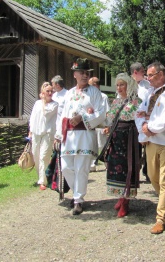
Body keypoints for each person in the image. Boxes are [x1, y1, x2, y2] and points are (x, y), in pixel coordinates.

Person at [135, 61, 165, 234]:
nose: (148, 79)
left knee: (164, 180)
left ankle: (161, 218)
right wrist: (144, 128)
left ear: (161, 75)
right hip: (151, 141)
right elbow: (139, 113)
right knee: (151, 175)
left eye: (151, 75)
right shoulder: (149, 94)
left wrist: (151, 128)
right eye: (147, 75)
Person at [56, 58, 106, 215]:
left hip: (84, 134)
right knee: (66, 167)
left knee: (81, 168)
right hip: (68, 136)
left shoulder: (95, 93)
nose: (85, 75)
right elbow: (61, 116)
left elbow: (101, 113)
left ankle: (78, 200)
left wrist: (83, 116)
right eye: (82, 72)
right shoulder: (69, 93)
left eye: (87, 73)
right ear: (75, 74)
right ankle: (76, 191)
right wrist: (58, 135)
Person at [99, 73, 141, 218]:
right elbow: (110, 119)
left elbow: (138, 121)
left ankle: (125, 201)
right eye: (117, 85)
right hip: (116, 139)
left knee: (128, 168)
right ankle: (120, 197)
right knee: (115, 169)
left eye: (122, 84)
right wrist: (108, 128)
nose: (119, 87)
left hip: (129, 139)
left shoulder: (136, 102)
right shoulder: (116, 102)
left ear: (128, 85)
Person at [29, 82, 58, 190]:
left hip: (48, 133)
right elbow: (32, 117)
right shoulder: (37, 103)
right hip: (36, 132)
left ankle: (43, 181)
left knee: (44, 156)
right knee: (36, 155)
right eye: (48, 91)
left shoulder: (54, 105)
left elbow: (46, 113)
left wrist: (44, 102)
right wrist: (30, 131)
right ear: (42, 92)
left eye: (51, 91)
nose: (50, 93)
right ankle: (41, 176)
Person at [130, 62, 151, 181]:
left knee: (148, 146)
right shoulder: (127, 84)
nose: (145, 73)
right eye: (143, 71)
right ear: (135, 72)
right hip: (132, 120)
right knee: (135, 149)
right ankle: (135, 174)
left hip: (145, 118)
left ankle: (148, 171)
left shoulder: (147, 84)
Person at [88, 76, 110, 172]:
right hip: (91, 126)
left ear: (95, 85)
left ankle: (107, 163)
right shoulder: (88, 97)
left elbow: (108, 111)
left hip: (101, 125)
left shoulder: (103, 96)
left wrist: (108, 126)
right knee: (92, 145)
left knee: (102, 145)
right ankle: (92, 164)